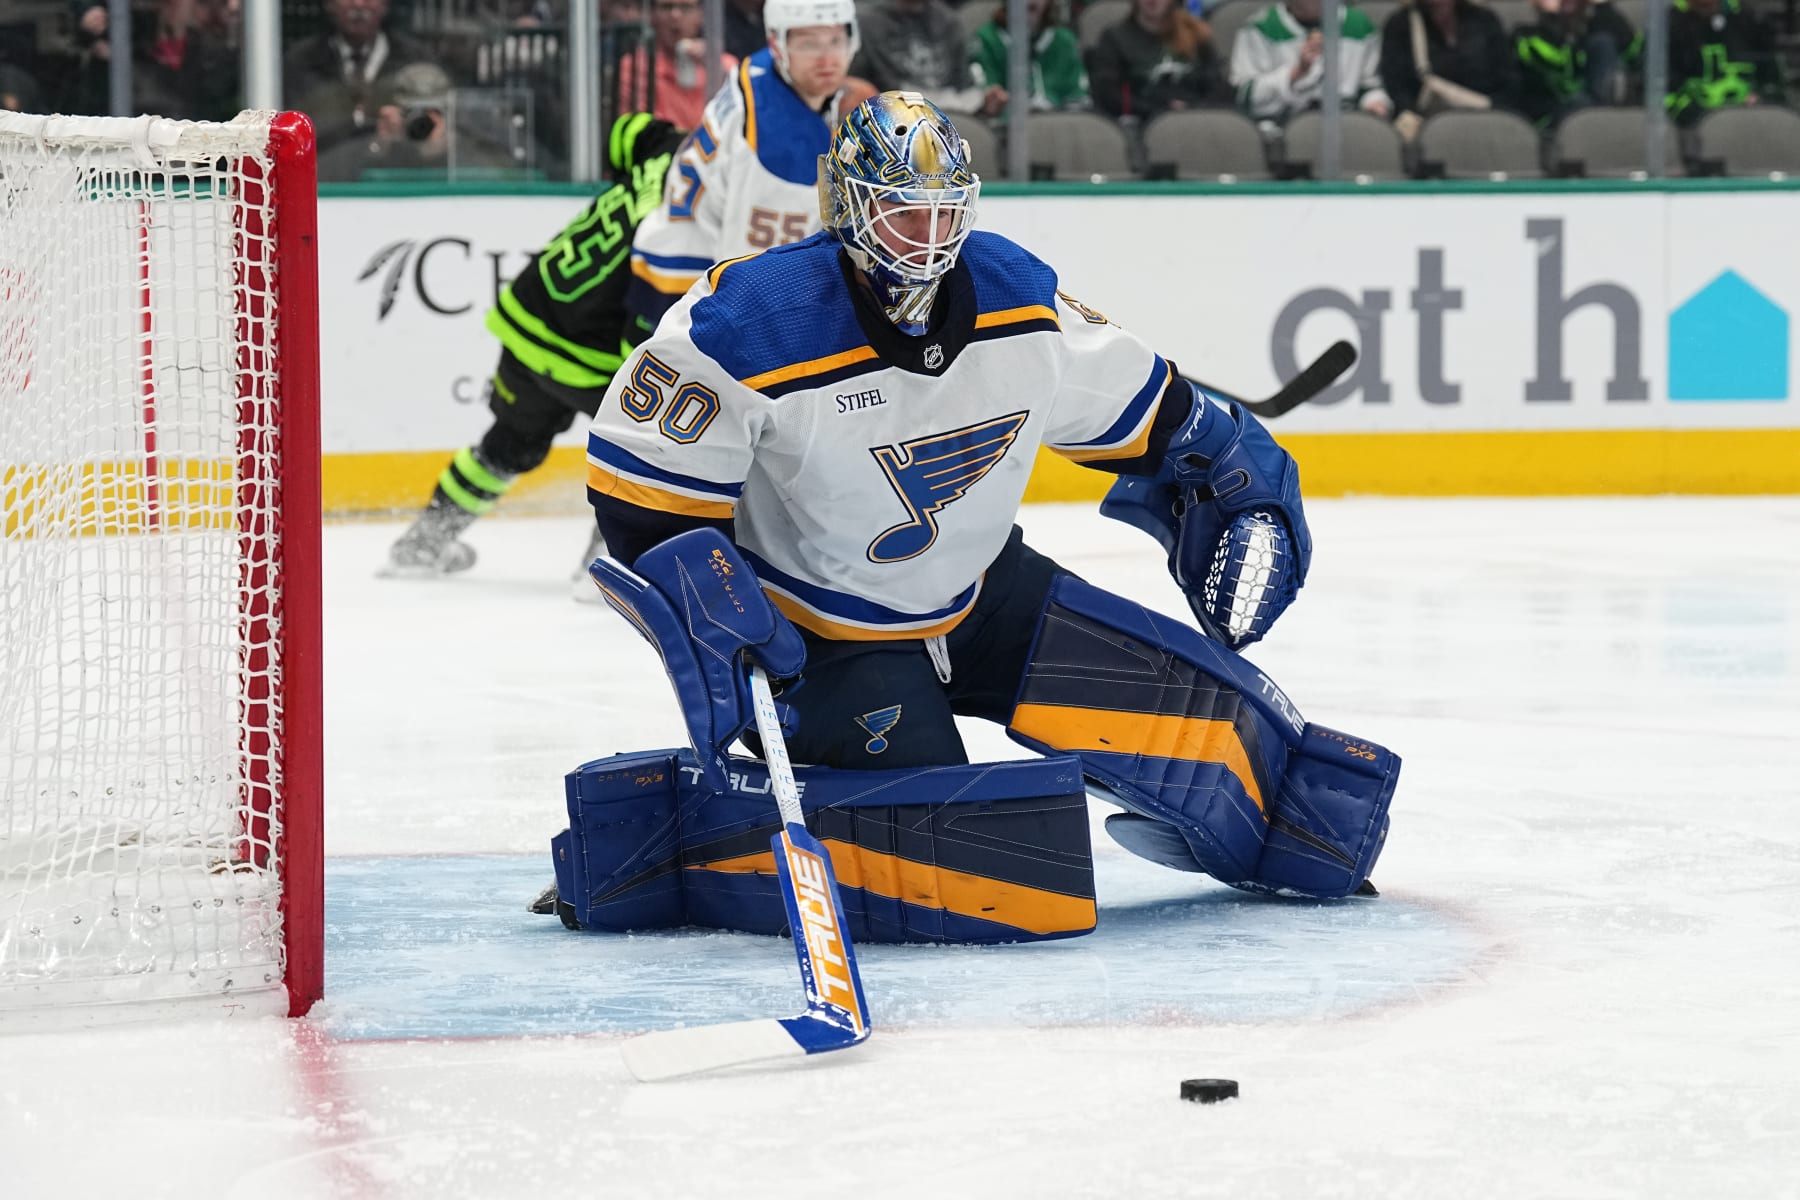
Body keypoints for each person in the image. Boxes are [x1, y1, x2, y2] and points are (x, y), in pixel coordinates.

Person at [555, 93, 1396, 941]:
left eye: (942, 213)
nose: (925, 238)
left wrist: (1225, 454)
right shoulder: (749, 322)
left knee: (1227, 746)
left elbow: (1154, 415)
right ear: (845, 205)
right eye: (900, 212)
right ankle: (666, 853)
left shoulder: (1016, 296)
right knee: (983, 865)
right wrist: (707, 597)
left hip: (983, 595)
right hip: (823, 638)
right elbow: (641, 492)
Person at [382, 113, 684, 576]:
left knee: (510, 443)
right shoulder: (700, 201)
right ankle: (604, 565)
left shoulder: (667, 153)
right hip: (590, 350)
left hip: (531, 315)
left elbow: (630, 130)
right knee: (644, 452)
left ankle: (425, 541)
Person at [623, 0, 870, 343]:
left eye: (835, 40)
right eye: (809, 44)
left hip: (667, 259)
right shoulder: (783, 149)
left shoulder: (762, 71)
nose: (828, 59)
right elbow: (753, 275)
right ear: (777, 44)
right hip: (688, 290)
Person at [283, 0, 435, 171]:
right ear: (328, 4)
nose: (359, 4)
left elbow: (441, 142)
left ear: (386, 4)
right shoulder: (299, 63)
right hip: (325, 186)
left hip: (401, 183)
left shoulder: (417, 60)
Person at [1230, 0, 1391, 133]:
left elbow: (1370, 85)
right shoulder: (1259, 28)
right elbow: (1244, 97)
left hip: (1348, 131)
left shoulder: (1359, 25)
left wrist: (1375, 103)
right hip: (1279, 130)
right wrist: (1296, 73)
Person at [1380, 0, 1520, 138]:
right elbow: (1396, 86)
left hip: (1487, 116)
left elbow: (1507, 79)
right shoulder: (1400, 24)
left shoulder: (1485, 20)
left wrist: (1495, 112)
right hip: (1426, 124)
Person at [853, 0, 1007, 116]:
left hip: (947, 125)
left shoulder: (949, 23)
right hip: (890, 125)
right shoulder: (864, 23)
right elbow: (859, 91)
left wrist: (984, 104)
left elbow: (963, 90)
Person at [1088, 0, 1229, 122]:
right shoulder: (1115, 37)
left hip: (1197, 117)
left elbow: (1218, 86)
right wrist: (1159, 110)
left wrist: (1193, 108)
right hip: (1141, 120)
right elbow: (1108, 94)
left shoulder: (1197, 33)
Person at [615, 0, 740, 130]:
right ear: (652, 15)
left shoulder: (724, 65)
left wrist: (713, 66)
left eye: (686, 8)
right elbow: (637, 127)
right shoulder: (636, 67)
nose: (675, 15)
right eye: (666, 7)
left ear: (701, 15)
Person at [1514, 0, 1636, 128]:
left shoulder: (1593, 28)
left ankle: (1605, 113)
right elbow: (1557, 66)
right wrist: (1555, 17)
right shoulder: (1525, 35)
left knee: (1602, 43)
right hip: (1547, 113)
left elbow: (1632, 53)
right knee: (1580, 103)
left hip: (1592, 103)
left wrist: (1602, 7)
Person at [967, 0, 1091, 120]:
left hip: (1058, 127)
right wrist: (989, 103)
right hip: (1004, 130)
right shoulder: (986, 40)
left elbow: (1078, 98)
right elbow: (983, 95)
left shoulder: (1065, 41)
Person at [1666, 0, 1780, 127]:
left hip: (1751, 122)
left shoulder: (1751, 20)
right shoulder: (1667, 26)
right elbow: (1662, 94)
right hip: (1688, 128)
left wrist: (1760, 99)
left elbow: (1773, 82)